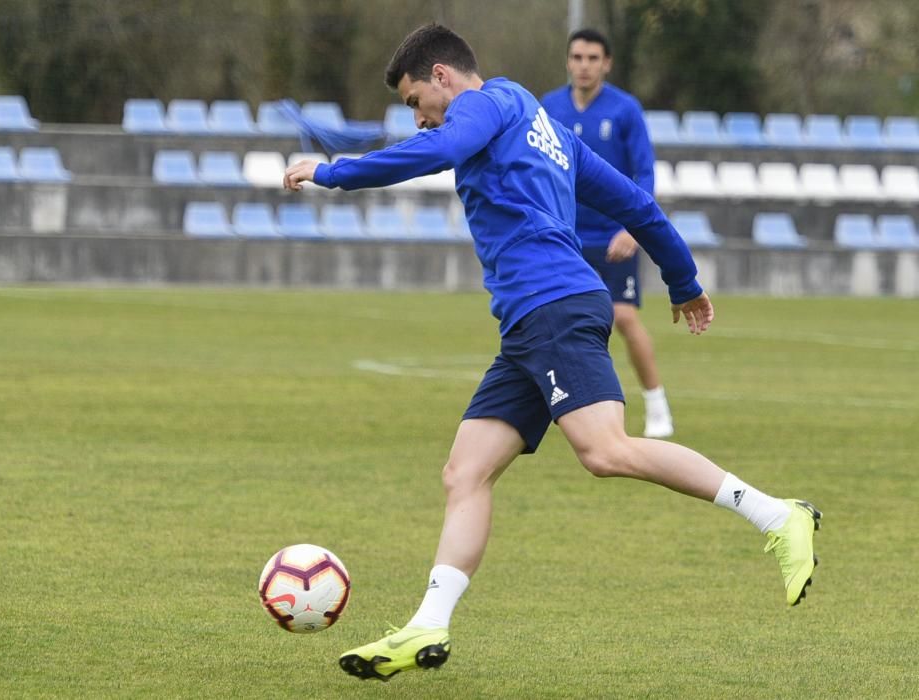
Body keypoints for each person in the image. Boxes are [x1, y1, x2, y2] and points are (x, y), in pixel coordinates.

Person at [284, 23, 821, 683]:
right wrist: (684, 282)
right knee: (466, 472)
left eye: (413, 99)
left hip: (554, 308)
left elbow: (443, 146)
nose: (416, 116)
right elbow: (637, 204)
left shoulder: (481, 106)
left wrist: (332, 174)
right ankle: (429, 622)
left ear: (443, 78)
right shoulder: (544, 125)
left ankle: (776, 514)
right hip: (529, 327)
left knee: (605, 451)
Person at [541, 28, 673, 438]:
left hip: (614, 237)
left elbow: (644, 171)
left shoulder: (625, 109)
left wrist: (632, 228)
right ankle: (556, 405)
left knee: (623, 317)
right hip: (566, 237)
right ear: (567, 61)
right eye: (577, 57)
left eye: (593, 58)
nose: (584, 66)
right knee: (553, 320)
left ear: (607, 63)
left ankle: (656, 404)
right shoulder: (548, 107)